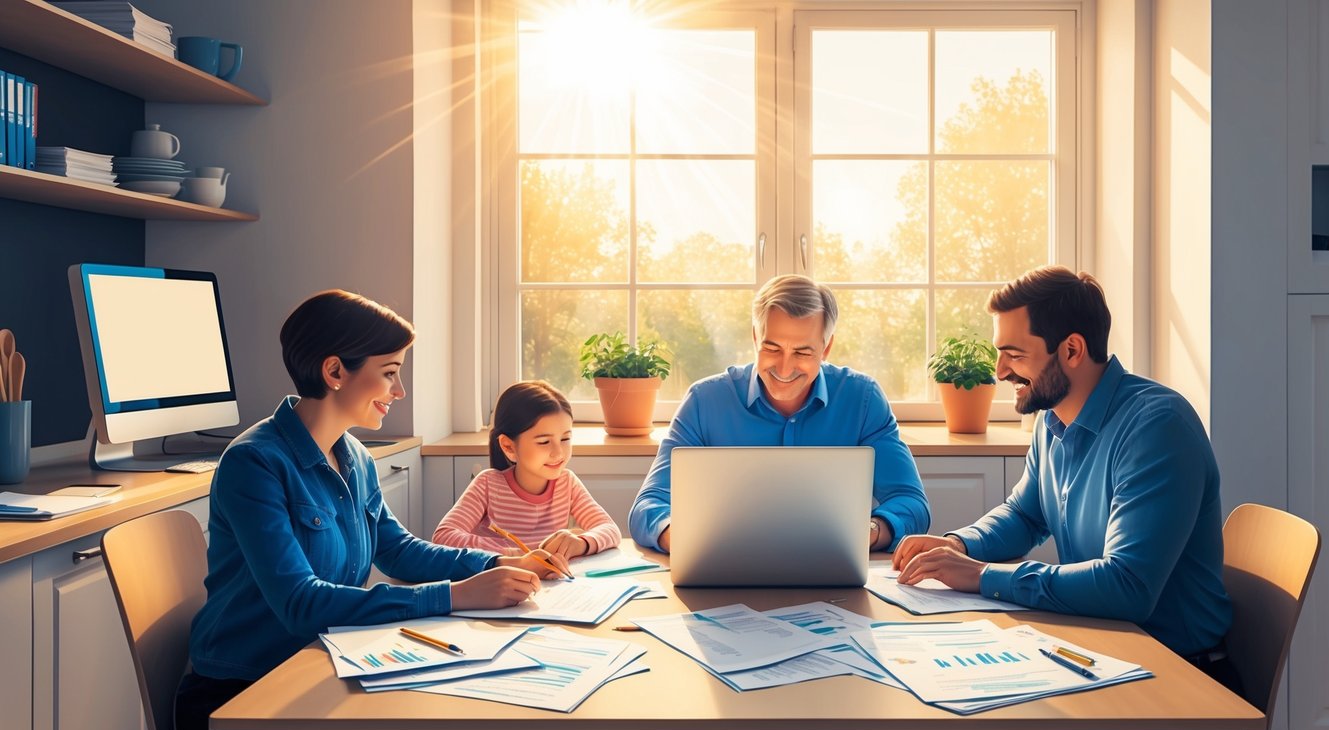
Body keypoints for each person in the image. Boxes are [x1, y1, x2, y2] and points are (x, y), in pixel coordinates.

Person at [175, 290, 569, 730]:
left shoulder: (353, 455)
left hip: (321, 666)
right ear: (335, 372)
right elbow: (301, 604)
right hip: (240, 698)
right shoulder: (254, 463)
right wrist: (458, 594)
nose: (398, 391)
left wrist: (498, 563)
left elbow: (397, 550)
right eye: (389, 373)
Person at [892, 266, 1234, 676]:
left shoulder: (1157, 427)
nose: (1000, 371)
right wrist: (957, 547)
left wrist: (982, 576)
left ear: (1072, 350)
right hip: (1105, 651)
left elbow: (1128, 587)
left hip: (1180, 674)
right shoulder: (1051, 422)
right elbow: (1024, 515)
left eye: (1015, 354)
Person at [629, 274, 929, 553]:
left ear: (826, 348)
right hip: (723, 574)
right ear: (755, 338)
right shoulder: (704, 401)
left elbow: (912, 503)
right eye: (772, 348)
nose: (784, 369)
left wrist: (870, 530)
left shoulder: (862, 399)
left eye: (802, 352)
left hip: (832, 578)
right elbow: (649, 506)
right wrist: (685, 539)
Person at [432, 380, 621, 557]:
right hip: (499, 582)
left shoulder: (567, 483)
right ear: (509, 447)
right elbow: (443, 536)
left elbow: (610, 529)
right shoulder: (487, 484)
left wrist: (581, 542)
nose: (558, 453)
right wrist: (509, 554)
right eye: (544, 442)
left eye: (565, 439)